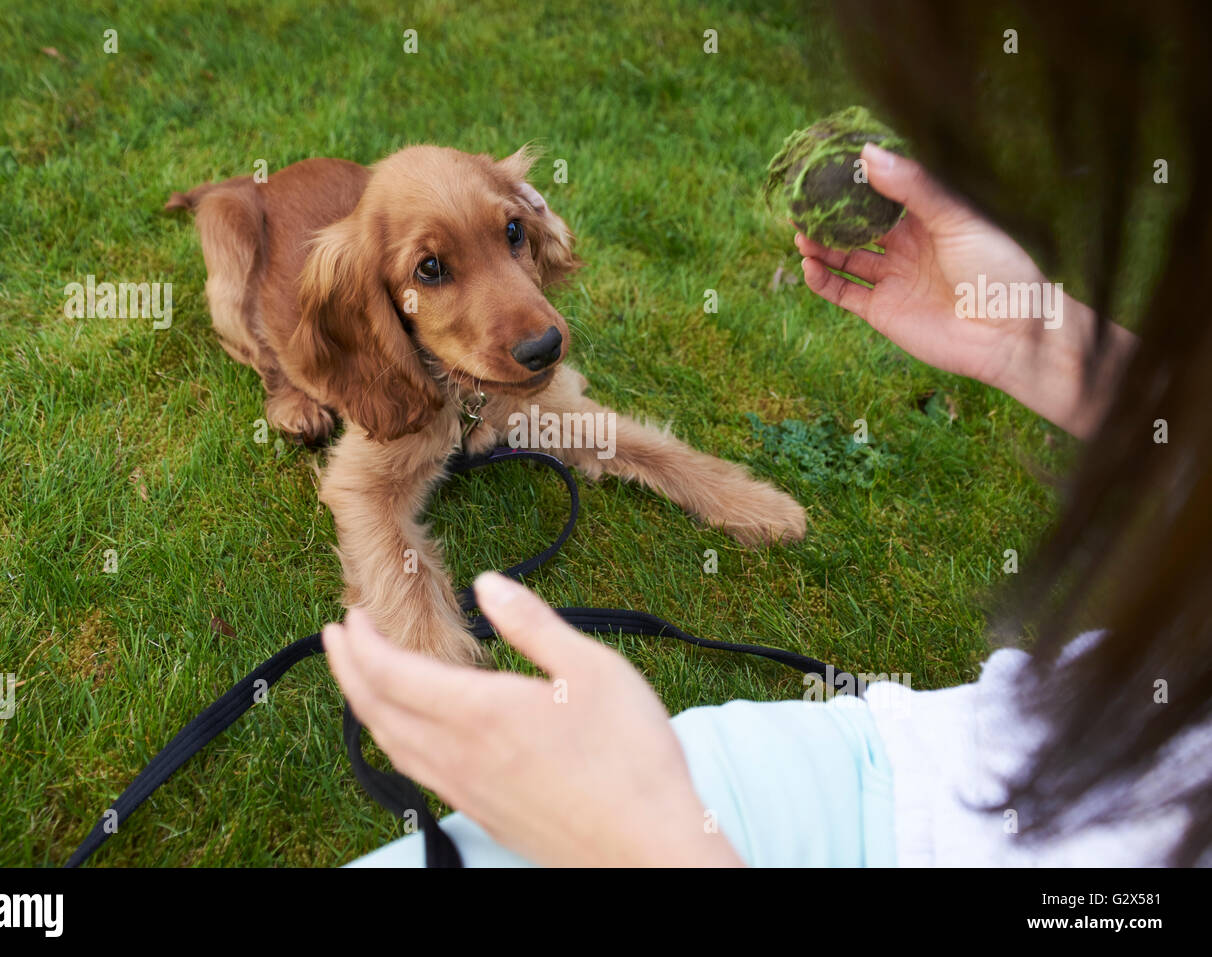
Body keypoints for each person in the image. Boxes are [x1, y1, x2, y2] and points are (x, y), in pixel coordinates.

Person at [327, 1, 1212, 867]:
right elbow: (362, 487)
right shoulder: (359, 318)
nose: (533, 324)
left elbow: (581, 419)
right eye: (435, 271)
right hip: (916, 757)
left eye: (512, 235)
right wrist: (1025, 329)